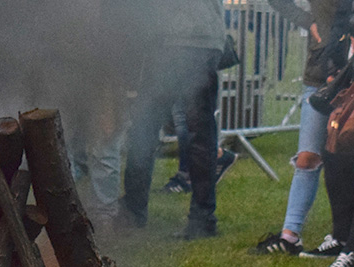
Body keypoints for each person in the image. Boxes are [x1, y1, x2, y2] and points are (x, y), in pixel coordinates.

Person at [119, 0, 226, 239]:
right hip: (167, 39)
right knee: (144, 127)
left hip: (195, 39)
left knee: (197, 130)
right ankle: (133, 210)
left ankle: (202, 218)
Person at [252, 0, 350, 254]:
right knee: (308, 158)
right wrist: (309, 23)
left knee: (344, 160)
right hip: (320, 74)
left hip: (350, 75)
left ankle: (342, 238)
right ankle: (289, 236)